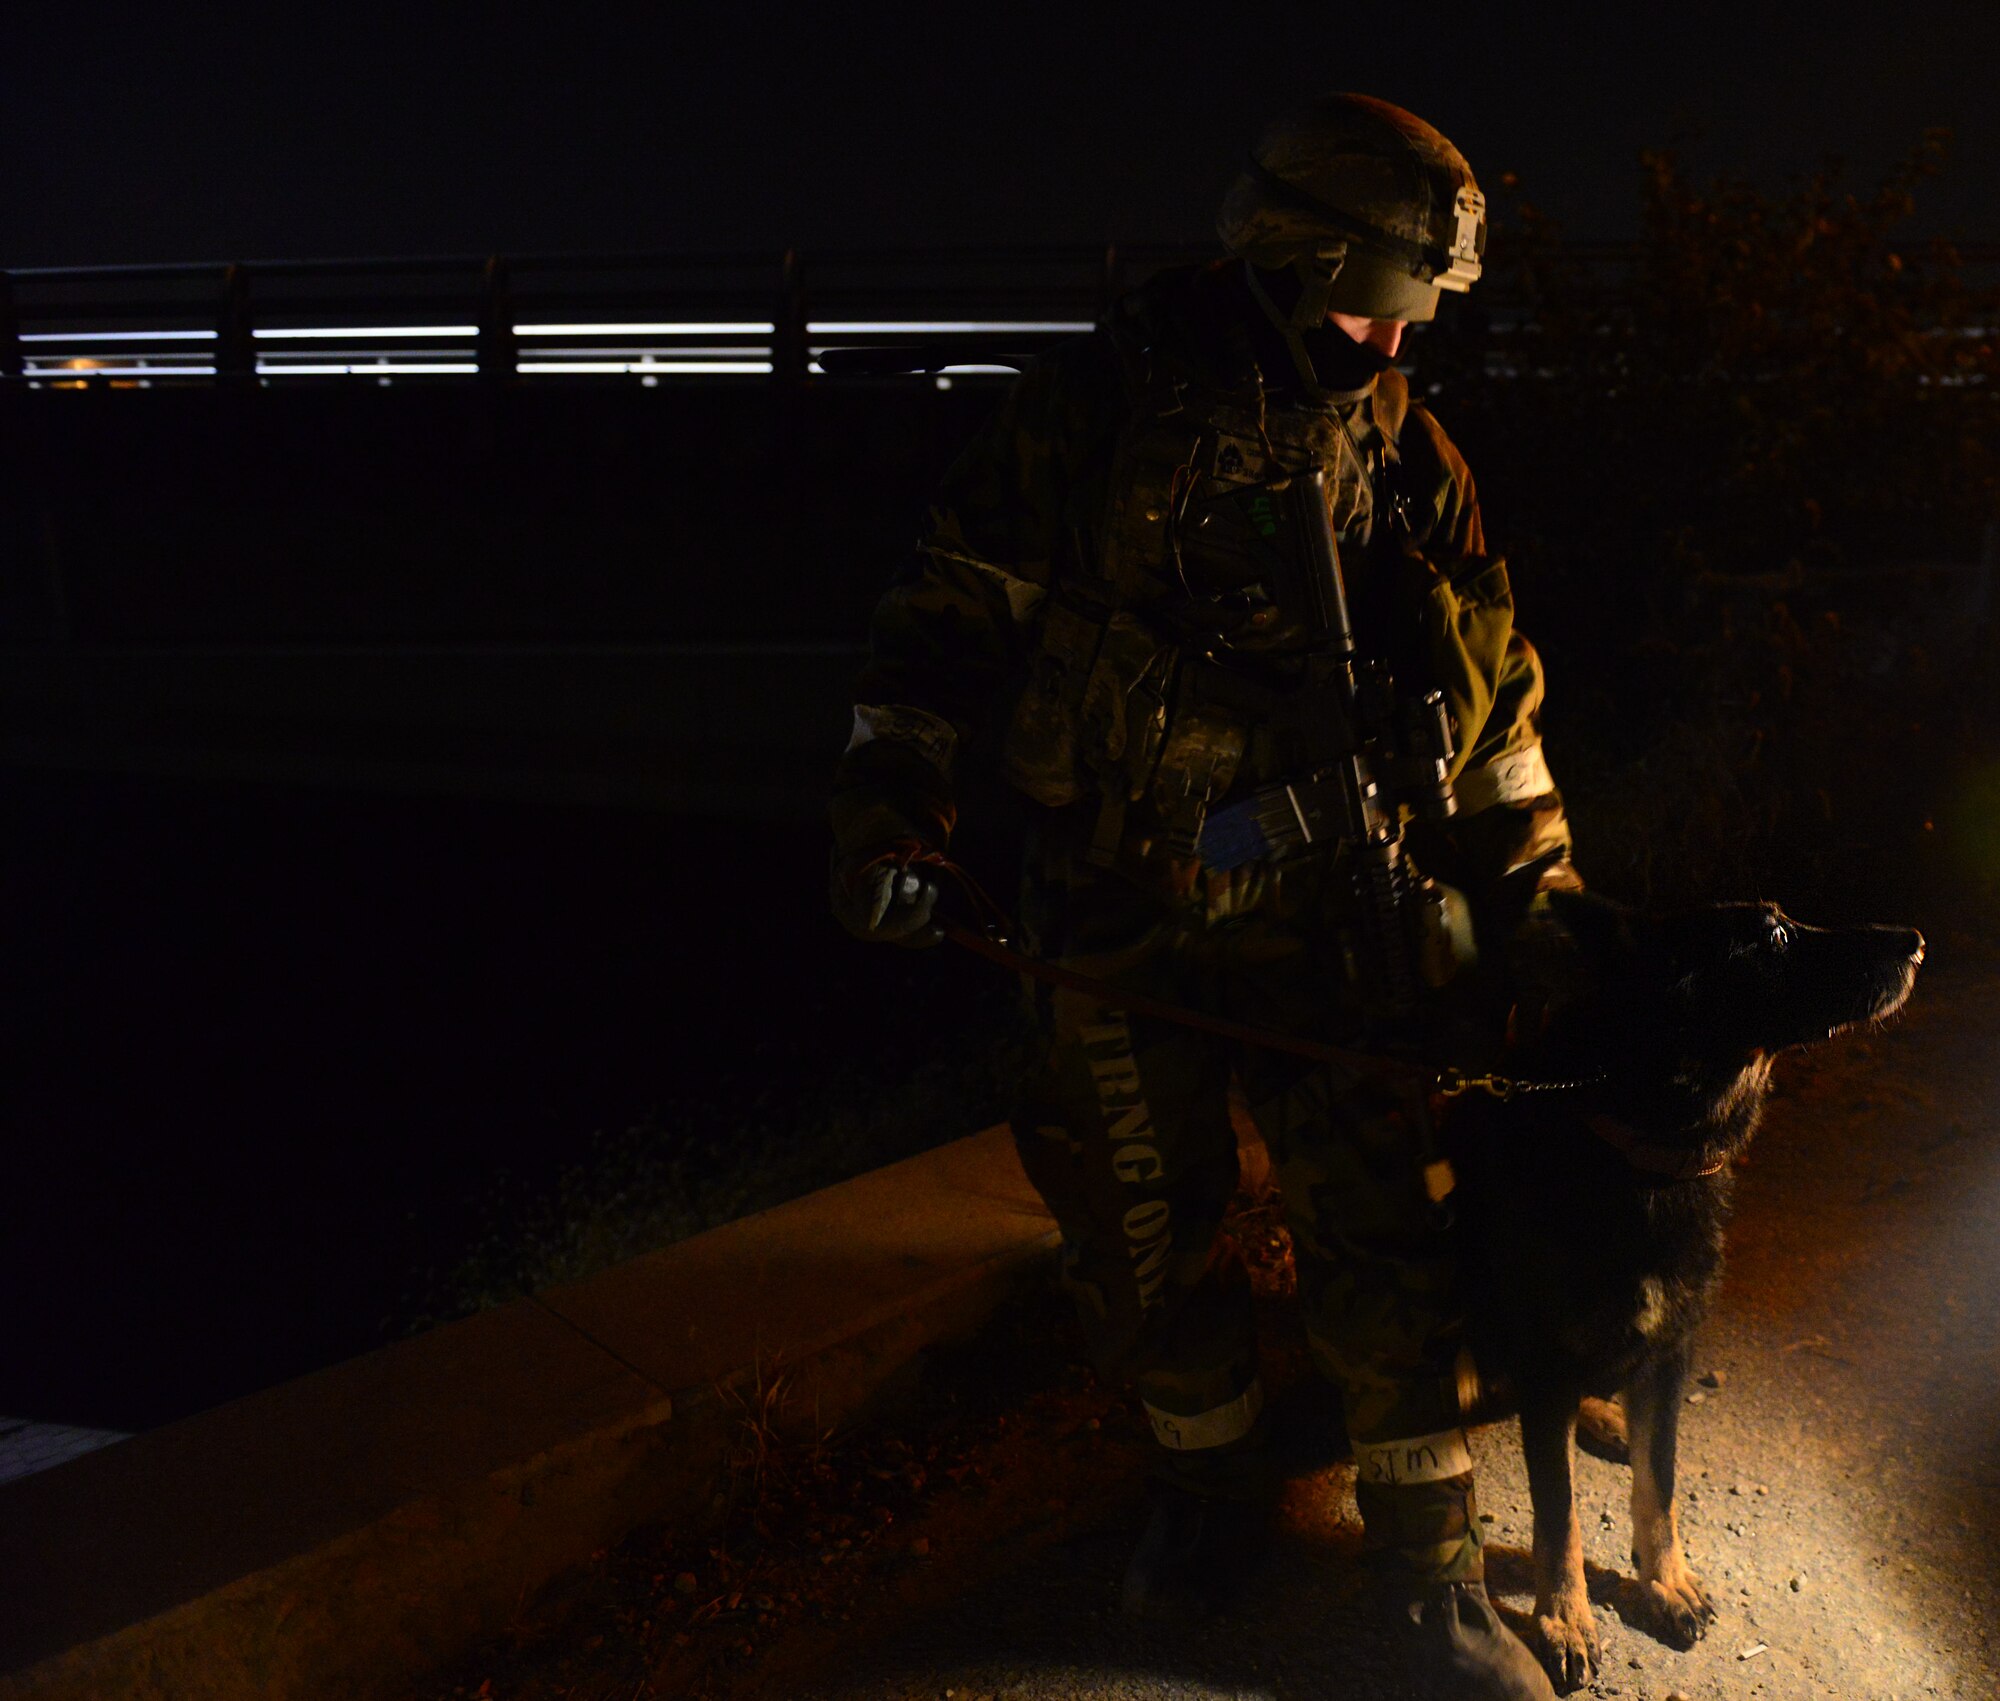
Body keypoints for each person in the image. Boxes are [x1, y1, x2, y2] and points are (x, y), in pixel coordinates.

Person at [830, 93, 1581, 1700]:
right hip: (1117, 903)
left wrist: (1541, 895)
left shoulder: (1406, 449)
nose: (1398, 341)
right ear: (1303, 258)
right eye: (1384, 300)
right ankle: (1207, 1487)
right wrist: (892, 812)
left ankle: (1429, 1564)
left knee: (1386, 1222)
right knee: (1141, 1227)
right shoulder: (1095, 412)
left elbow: (1496, 700)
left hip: (1333, 909)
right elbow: (943, 615)